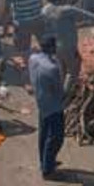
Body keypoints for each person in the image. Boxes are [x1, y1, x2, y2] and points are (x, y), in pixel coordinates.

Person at [40, 0, 94, 89]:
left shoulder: (44, 10)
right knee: (73, 71)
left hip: (55, 45)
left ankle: (59, 88)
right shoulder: (67, 10)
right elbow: (88, 15)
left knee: (62, 69)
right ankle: (65, 94)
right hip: (68, 46)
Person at [29, 38, 66, 178]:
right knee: (56, 137)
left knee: (44, 133)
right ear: (51, 48)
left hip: (41, 101)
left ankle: (44, 161)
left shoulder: (33, 58)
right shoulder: (52, 67)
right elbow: (58, 89)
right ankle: (47, 168)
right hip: (53, 105)